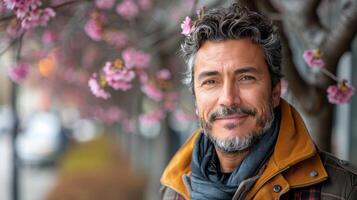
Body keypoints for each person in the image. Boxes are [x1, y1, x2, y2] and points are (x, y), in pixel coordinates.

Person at [160, 3, 357, 200]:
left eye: (246, 78)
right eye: (211, 81)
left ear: (275, 91)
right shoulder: (174, 191)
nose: (228, 99)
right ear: (195, 99)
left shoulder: (342, 192)